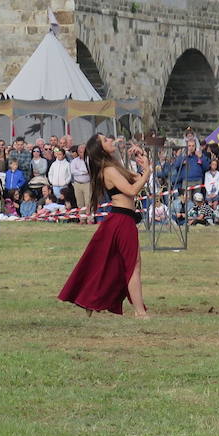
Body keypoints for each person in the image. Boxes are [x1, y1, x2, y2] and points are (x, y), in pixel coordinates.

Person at [58, 135, 150, 318]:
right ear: (101, 148)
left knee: (112, 264)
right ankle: (140, 312)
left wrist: (144, 162)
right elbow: (132, 190)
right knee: (132, 265)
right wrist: (146, 172)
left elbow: (136, 178)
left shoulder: (114, 166)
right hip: (121, 220)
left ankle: (91, 301)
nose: (111, 140)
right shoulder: (108, 170)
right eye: (106, 140)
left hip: (124, 219)